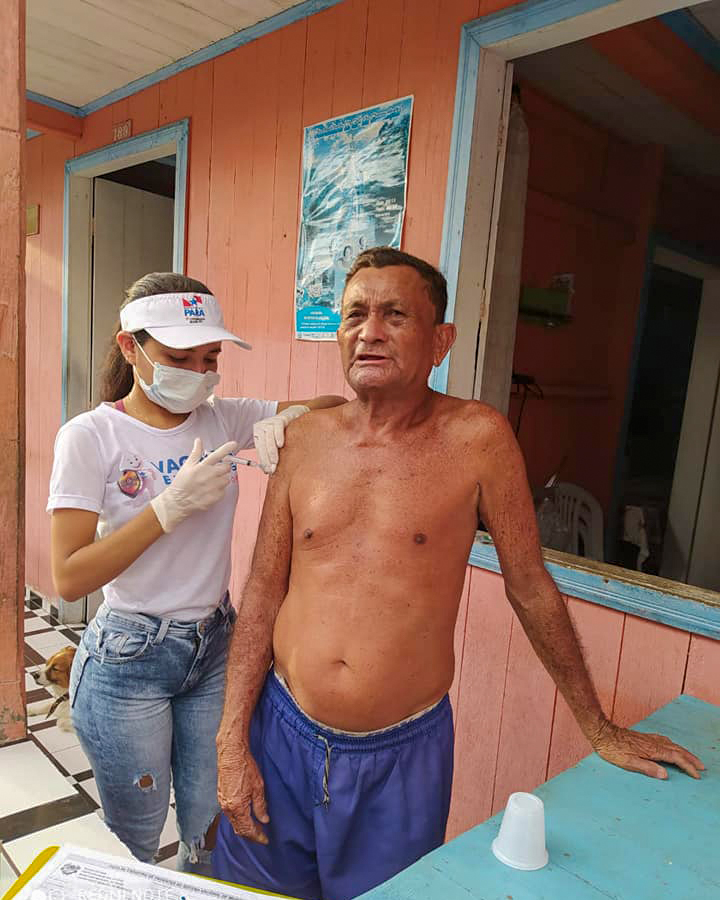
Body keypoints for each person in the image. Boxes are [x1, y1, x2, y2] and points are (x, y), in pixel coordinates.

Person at [212, 248, 705, 900]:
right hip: (279, 731)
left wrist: (599, 727)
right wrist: (231, 739)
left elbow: (530, 587)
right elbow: (262, 592)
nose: (369, 332)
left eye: (395, 315)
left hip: (400, 758)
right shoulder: (304, 440)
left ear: (440, 341)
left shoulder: (477, 439)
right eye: (355, 314)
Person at [48, 272, 345, 874]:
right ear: (131, 347)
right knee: (134, 840)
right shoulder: (91, 436)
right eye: (179, 358)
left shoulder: (221, 419)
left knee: (211, 823)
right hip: (130, 656)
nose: (199, 374)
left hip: (213, 647)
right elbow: (69, 577)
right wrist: (167, 510)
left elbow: (335, 407)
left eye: (210, 359)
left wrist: (288, 420)